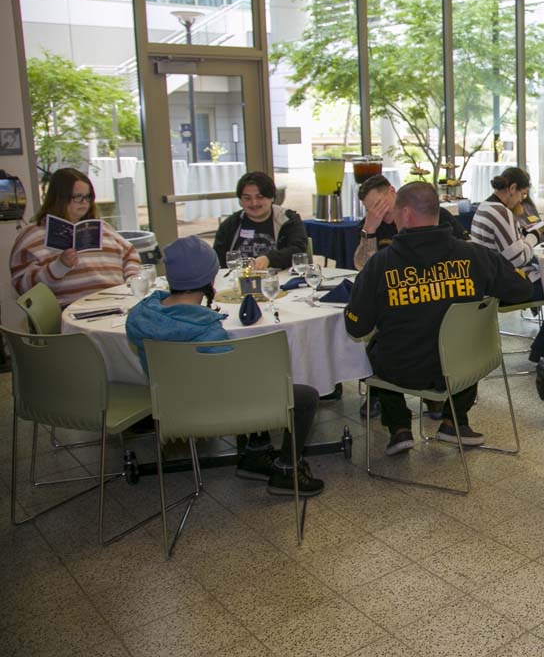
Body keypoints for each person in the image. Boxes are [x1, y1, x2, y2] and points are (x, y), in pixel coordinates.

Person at [125, 236, 324, 495]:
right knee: (302, 395)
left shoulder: (140, 318)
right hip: (216, 408)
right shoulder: (207, 332)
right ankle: (287, 469)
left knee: (254, 377)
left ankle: (255, 455)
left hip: (170, 405)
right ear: (210, 280)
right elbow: (235, 381)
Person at [346, 182, 534, 453]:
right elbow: (522, 289)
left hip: (402, 369)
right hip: (464, 368)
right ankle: (454, 420)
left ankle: (399, 427)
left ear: (407, 215)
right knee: (468, 338)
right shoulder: (476, 257)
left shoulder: (380, 265)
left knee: (375, 345)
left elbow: (356, 325)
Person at [10, 167, 141, 308]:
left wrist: (132, 280)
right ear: (59, 198)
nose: (84, 202)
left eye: (88, 197)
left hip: (118, 303)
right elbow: (22, 287)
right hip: (70, 309)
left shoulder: (103, 228)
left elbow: (130, 254)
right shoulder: (32, 236)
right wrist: (58, 267)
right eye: (77, 197)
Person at [470, 167, 544, 362]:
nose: (522, 200)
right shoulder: (501, 211)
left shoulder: (485, 207)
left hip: (487, 284)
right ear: (512, 188)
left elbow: (506, 247)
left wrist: (524, 235)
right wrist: (534, 236)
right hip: (502, 288)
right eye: (522, 194)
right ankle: (542, 352)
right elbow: (519, 257)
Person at [354, 175, 466, 270]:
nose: (376, 213)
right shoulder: (370, 223)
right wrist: (369, 231)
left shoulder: (429, 214)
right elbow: (363, 267)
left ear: (392, 192)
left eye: (379, 204)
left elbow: (464, 249)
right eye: (370, 209)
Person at [213, 171, 307, 270]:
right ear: (240, 201)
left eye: (260, 197)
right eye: (247, 198)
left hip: (279, 280)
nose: (254, 203)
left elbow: (298, 250)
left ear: (272, 197)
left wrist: (269, 259)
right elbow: (217, 259)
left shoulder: (288, 220)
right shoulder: (230, 224)